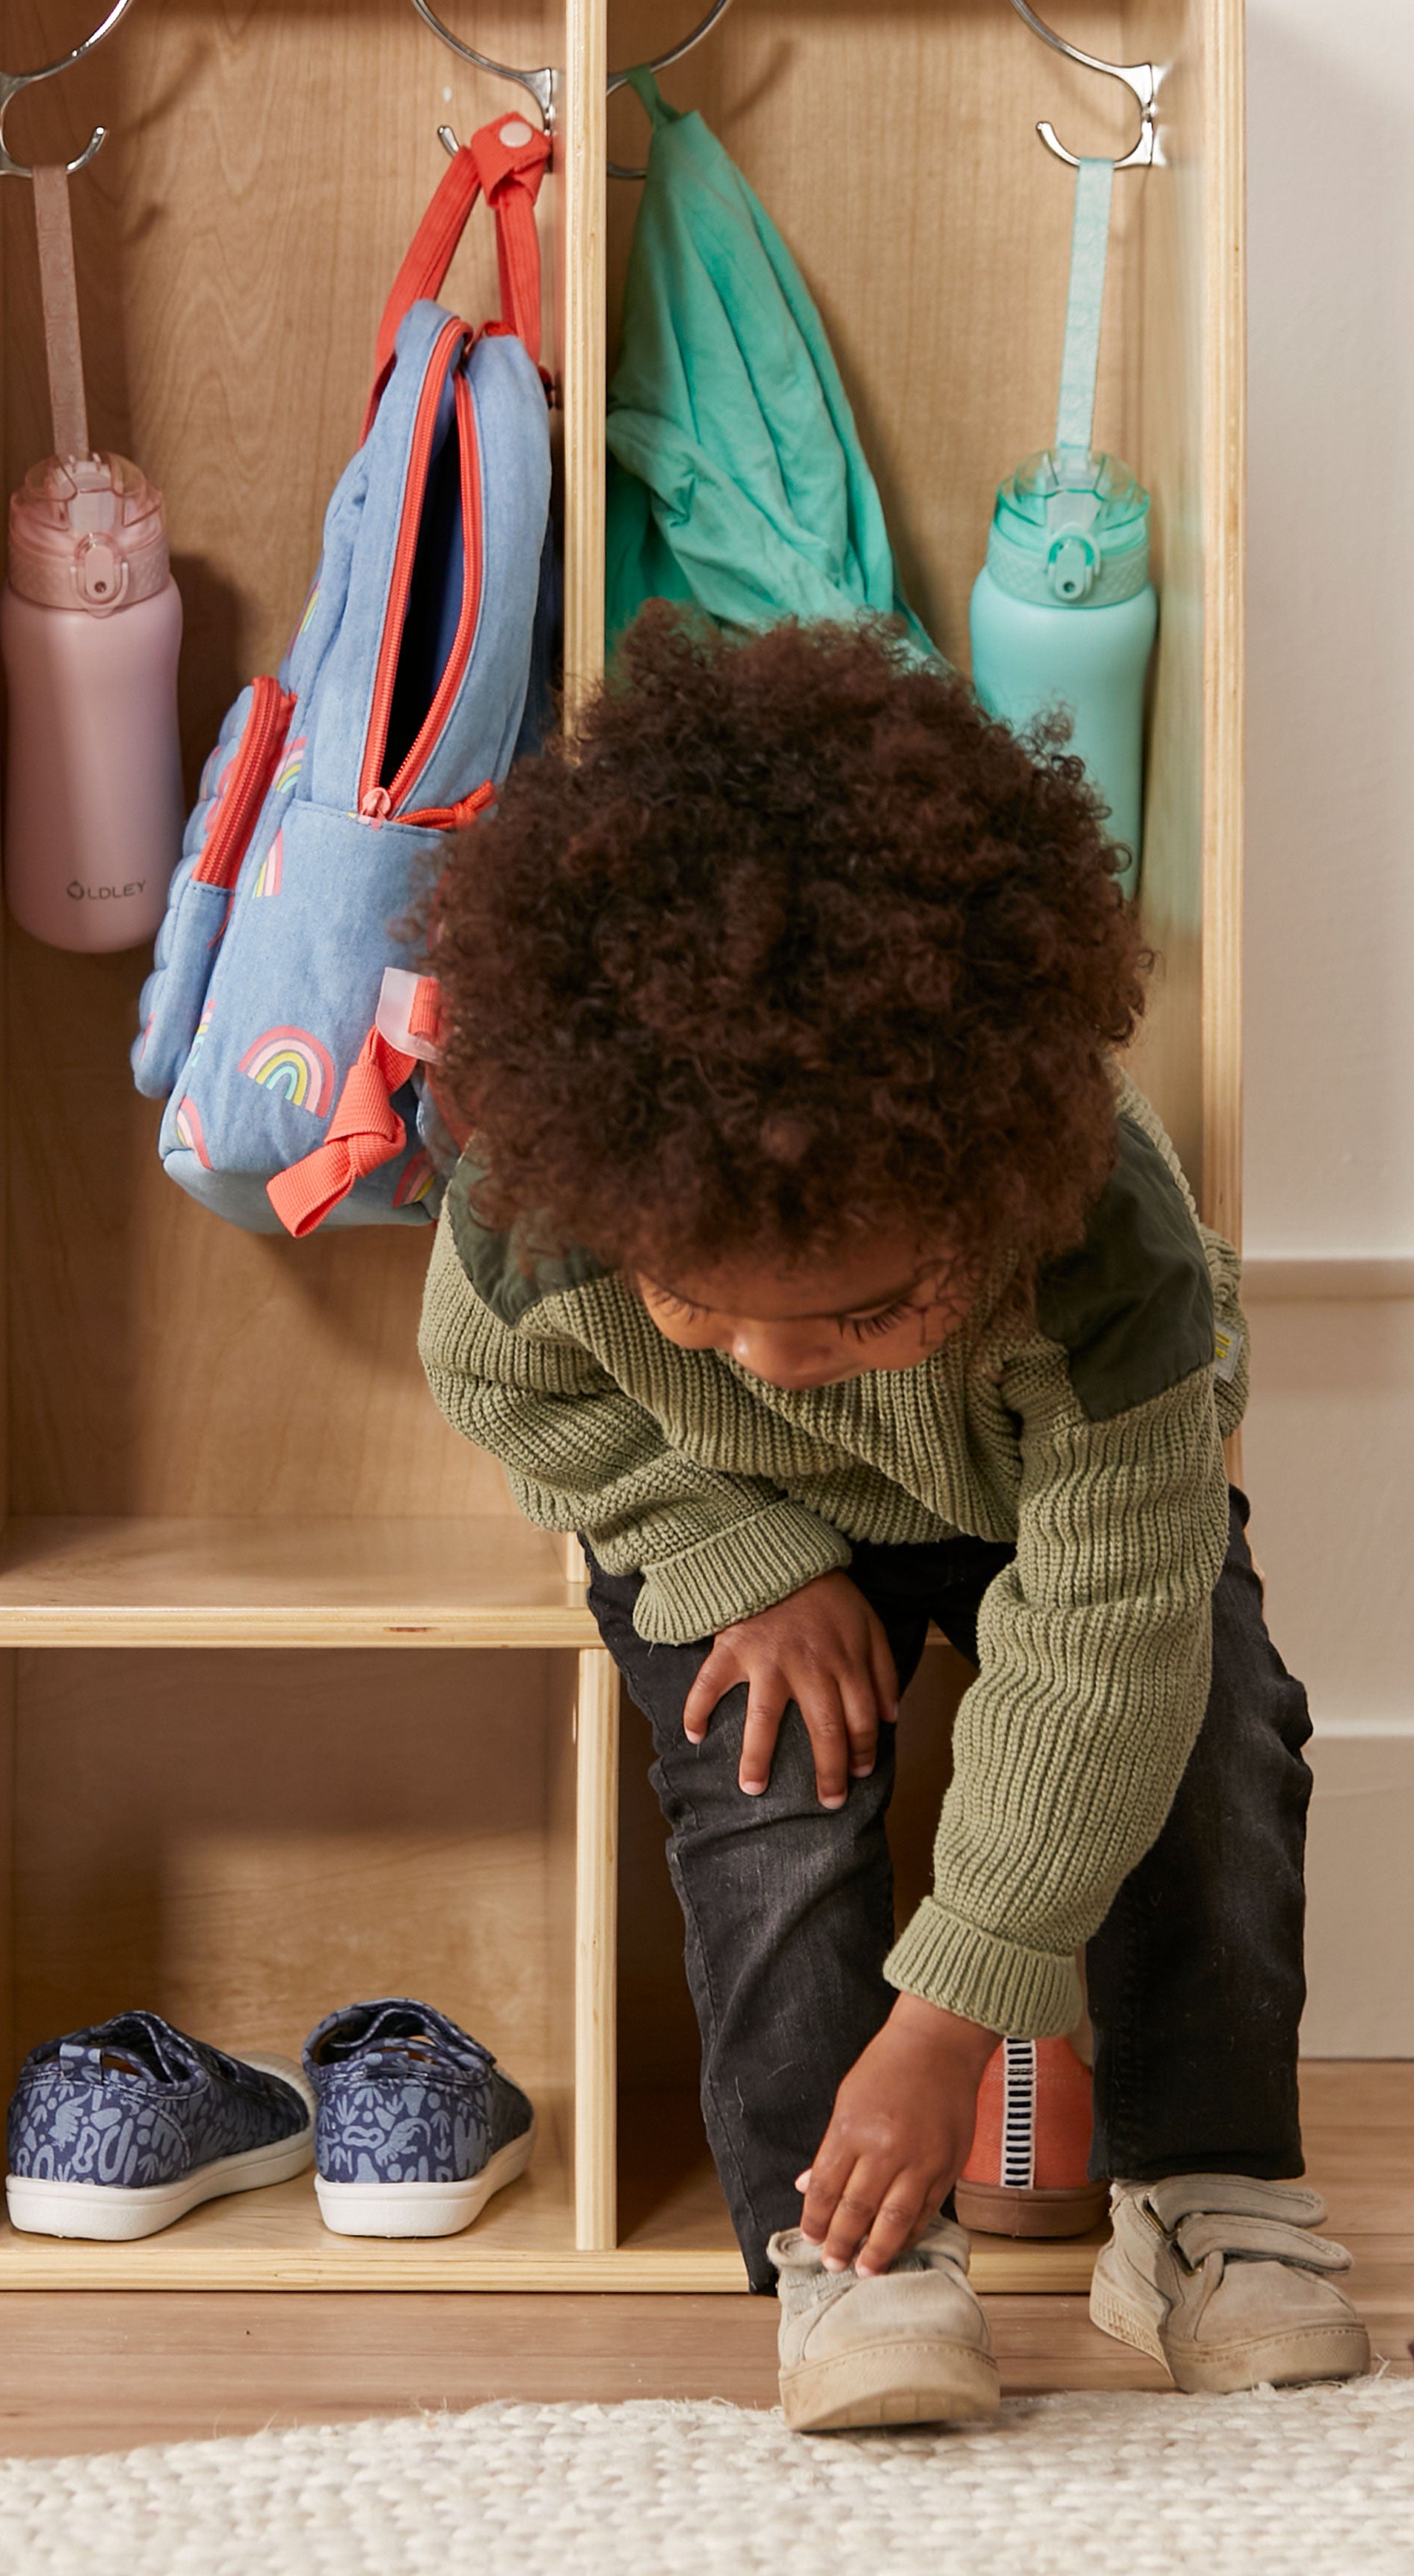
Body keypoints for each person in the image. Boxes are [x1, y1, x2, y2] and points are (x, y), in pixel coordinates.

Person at [416, 609, 1371, 2434]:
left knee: (1213, 1738)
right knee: (762, 1776)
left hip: (1044, 1520)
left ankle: (1203, 2191)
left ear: (989, 1190)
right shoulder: (545, 1204)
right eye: (704, 1308)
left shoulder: (1104, 1258)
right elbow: (510, 1386)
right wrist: (728, 1558)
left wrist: (953, 2016)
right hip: (717, 1524)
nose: (781, 1364)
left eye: (862, 1313)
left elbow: (1099, 1659)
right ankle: (848, 2244)